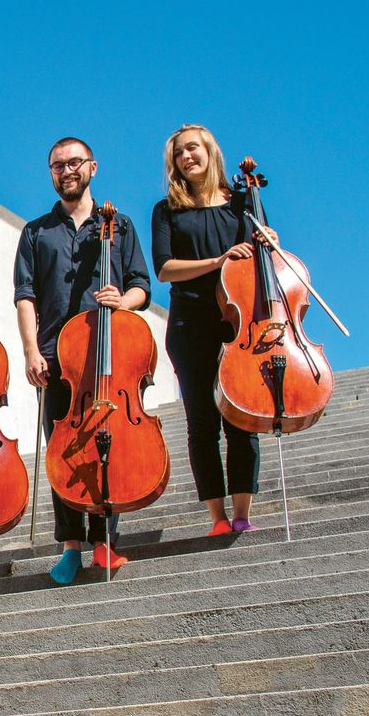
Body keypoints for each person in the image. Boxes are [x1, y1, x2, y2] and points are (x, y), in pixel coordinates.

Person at [13, 138, 152, 585]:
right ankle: (70, 546)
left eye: (74, 163)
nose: (66, 171)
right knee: (64, 449)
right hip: (57, 357)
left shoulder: (120, 225)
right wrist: (32, 350)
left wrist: (123, 302)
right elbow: (25, 296)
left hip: (108, 356)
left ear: (92, 166)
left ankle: (105, 544)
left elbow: (141, 286)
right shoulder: (36, 232)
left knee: (109, 443)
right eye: (57, 166)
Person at [152, 124, 267, 535]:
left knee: (242, 416)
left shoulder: (241, 204)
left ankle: (242, 515)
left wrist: (266, 239)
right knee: (202, 422)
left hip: (238, 322)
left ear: (210, 152)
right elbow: (164, 269)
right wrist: (219, 261)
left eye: (193, 149)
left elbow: (260, 260)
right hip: (189, 321)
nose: (186, 157)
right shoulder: (167, 210)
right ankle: (217, 519)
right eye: (179, 153)